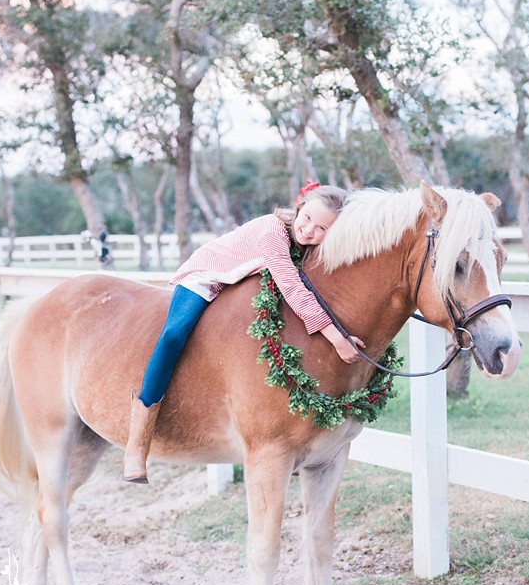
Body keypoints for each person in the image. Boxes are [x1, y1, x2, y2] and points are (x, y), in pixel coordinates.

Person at [123, 181, 363, 484]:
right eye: (307, 219)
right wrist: (337, 339)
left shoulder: (310, 247)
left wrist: (339, 329)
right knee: (173, 336)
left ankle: (298, 440)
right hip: (209, 275)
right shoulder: (273, 233)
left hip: (240, 285)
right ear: (299, 208)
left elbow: (313, 291)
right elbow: (292, 287)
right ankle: (137, 442)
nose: (310, 230)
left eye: (322, 229)